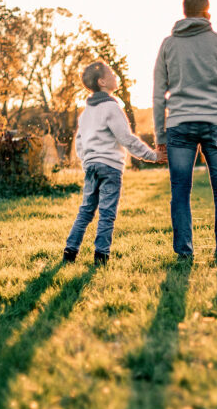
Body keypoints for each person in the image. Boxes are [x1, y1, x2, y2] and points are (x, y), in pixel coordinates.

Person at [153, 0, 217, 261]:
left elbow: (158, 92)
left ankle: (184, 253)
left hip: (179, 125)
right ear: (207, 11)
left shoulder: (168, 45)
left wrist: (160, 135)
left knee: (180, 190)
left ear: (184, 12)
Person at [63, 60, 166, 266]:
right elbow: (126, 138)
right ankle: (101, 256)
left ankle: (70, 252)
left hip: (91, 166)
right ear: (102, 82)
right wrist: (153, 156)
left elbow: (79, 142)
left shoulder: (86, 113)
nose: (115, 76)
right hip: (110, 167)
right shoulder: (111, 106)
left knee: (86, 210)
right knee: (107, 213)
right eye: (111, 74)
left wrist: (87, 161)